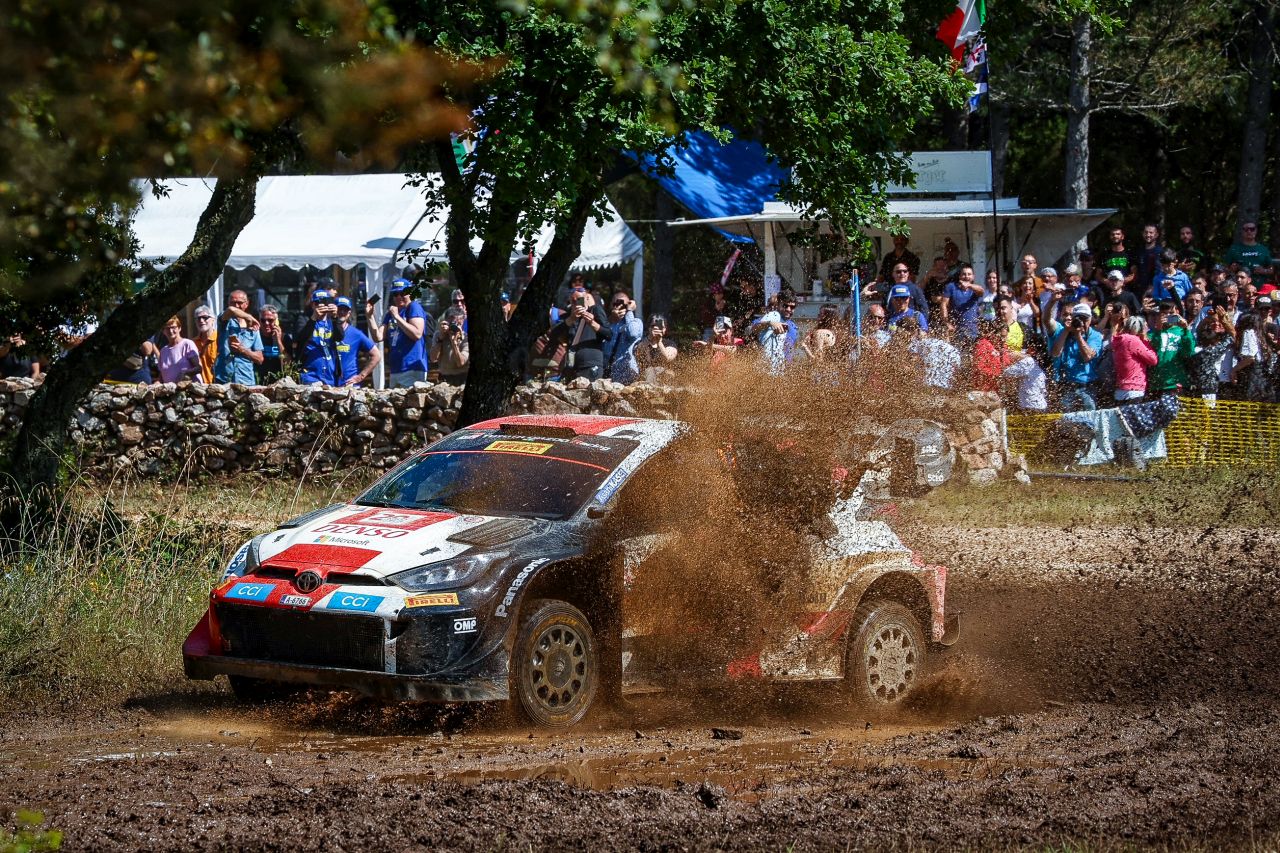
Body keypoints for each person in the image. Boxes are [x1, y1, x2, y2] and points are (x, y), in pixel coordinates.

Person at [368, 278, 428, 387]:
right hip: (396, 369)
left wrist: (397, 317)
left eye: (402, 293)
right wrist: (369, 316)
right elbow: (378, 337)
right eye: (395, 294)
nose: (399, 297)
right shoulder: (391, 313)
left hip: (412, 368)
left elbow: (417, 334)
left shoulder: (413, 307)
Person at [550, 284, 611, 381]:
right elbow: (553, 335)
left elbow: (608, 334)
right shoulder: (567, 316)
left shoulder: (595, 310)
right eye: (573, 301)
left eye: (579, 299)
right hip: (572, 367)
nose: (576, 303)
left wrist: (592, 323)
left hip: (591, 365)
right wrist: (571, 319)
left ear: (586, 298)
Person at [1049, 302, 1103, 411]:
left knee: (1089, 418)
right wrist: (1066, 331)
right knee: (1067, 419)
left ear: (1090, 319)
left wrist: (1078, 335)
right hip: (1067, 385)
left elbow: (1087, 356)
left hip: (1087, 385)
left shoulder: (1095, 335)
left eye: (1085, 319)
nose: (1082, 322)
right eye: (1079, 318)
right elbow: (1055, 353)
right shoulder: (1064, 332)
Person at [213, 289, 263, 385]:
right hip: (224, 379)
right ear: (228, 303)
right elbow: (231, 310)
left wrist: (243, 350)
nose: (236, 305)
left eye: (239, 303)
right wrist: (248, 317)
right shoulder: (225, 320)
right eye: (233, 302)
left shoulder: (253, 328)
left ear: (246, 304)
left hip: (246, 380)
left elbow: (260, 359)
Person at [296, 288, 345, 385]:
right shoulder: (304, 319)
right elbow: (301, 338)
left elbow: (340, 337)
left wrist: (335, 317)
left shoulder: (332, 321)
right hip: (309, 374)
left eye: (325, 302)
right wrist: (314, 318)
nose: (321, 306)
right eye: (317, 303)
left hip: (329, 374)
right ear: (312, 305)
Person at [1148, 301, 1196, 396]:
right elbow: (1153, 351)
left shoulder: (1183, 332)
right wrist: (1158, 330)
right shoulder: (1151, 334)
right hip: (1156, 384)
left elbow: (1189, 353)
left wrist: (1186, 330)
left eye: (1171, 313)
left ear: (1177, 313)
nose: (1168, 316)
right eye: (1164, 314)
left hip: (1176, 383)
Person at [1189, 306, 1236, 401]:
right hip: (1209, 388)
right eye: (1213, 322)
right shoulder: (1207, 349)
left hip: (1221, 384)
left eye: (1220, 322)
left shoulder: (1195, 350)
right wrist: (1217, 319)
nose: (1217, 324)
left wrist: (1211, 319)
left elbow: (1233, 334)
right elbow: (1232, 336)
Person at [1109, 316, 1157, 402]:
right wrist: (1145, 341)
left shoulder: (1120, 339)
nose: (1148, 329)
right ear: (1140, 328)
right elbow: (1153, 360)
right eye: (1146, 326)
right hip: (1134, 389)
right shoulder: (1133, 340)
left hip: (1120, 389)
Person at [335, 296, 380, 386]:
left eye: (345, 310)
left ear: (349, 313)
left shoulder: (356, 334)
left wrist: (361, 376)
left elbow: (377, 355)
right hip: (329, 383)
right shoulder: (326, 331)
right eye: (339, 309)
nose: (342, 312)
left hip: (349, 384)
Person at [750, 291, 800, 374]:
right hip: (767, 369)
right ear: (778, 304)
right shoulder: (773, 315)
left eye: (792, 307)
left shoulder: (793, 326)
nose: (788, 309)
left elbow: (790, 350)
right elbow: (753, 329)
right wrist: (770, 323)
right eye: (785, 306)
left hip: (784, 371)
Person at [600, 290, 644, 384]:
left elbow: (633, 333)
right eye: (616, 303)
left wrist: (629, 312)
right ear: (611, 306)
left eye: (624, 304)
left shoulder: (635, 321)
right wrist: (611, 319)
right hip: (607, 374)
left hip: (626, 372)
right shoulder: (606, 325)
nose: (620, 307)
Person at [903, 318, 960, 390]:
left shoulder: (921, 344)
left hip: (925, 388)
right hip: (946, 390)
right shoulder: (954, 351)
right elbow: (956, 373)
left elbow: (910, 363)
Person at [1233, 313, 1275, 402]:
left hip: (1253, 376)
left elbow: (1250, 357)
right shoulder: (1259, 334)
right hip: (1263, 377)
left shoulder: (1248, 332)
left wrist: (1234, 370)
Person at [940, 263, 984, 345]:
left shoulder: (974, 289)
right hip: (957, 329)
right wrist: (946, 322)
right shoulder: (951, 287)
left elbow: (981, 291)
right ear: (959, 276)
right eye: (964, 274)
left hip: (973, 330)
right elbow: (943, 304)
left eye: (969, 274)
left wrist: (969, 285)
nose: (966, 276)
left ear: (973, 276)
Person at [430, 306, 470, 385]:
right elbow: (433, 358)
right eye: (452, 323)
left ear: (463, 322)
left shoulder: (466, 338)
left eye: (458, 324)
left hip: (462, 377)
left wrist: (454, 344)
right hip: (444, 377)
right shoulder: (439, 335)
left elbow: (461, 363)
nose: (454, 326)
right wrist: (440, 339)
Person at [156, 316, 202, 384]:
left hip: (191, 388)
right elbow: (161, 376)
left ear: (179, 328)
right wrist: (156, 383)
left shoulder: (187, 344)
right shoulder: (163, 351)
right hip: (171, 389)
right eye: (167, 328)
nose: (171, 331)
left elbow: (199, 368)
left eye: (173, 327)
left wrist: (185, 373)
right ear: (163, 331)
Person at [635, 314, 678, 384]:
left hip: (665, 377)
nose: (657, 328)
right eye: (653, 326)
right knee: (649, 371)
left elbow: (667, 358)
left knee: (668, 373)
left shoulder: (670, 343)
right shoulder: (642, 343)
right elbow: (638, 352)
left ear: (665, 329)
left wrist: (659, 342)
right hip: (646, 376)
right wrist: (650, 339)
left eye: (660, 326)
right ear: (649, 328)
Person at [257, 305, 293, 384]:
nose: (266, 323)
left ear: (277, 321)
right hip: (259, 381)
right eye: (263, 320)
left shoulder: (285, 338)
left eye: (270, 320)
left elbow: (289, 364)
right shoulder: (255, 337)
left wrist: (278, 341)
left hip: (279, 382)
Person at [1097, 227, 1137, 293]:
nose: (1115, 236)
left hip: (1125, 290)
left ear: (1122, 236)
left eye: (1118, 234)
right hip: (1108, 291)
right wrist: (1107, 282)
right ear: (1110, 237)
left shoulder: (1129, 253)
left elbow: (1134, 273)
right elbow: (1098, 274)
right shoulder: (1104, 254)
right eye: (1112, 234)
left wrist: (1122, 282)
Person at [1134, 223, 1164, 295]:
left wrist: (1152, 285)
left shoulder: (1160, 252)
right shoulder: (1139, 251)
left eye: (1151, 233)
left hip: (1154, 288)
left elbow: (1160, 271)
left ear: (1156, 235)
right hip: (1139, 287)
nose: (1148, 235)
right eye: (1146, 232)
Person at [192, 304, 218, 383]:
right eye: (198, 318)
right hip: (198, 387)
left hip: (218, 385)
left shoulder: (220, 339)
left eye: (205, 317)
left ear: (213, 320)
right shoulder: (192, 343)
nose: (201, 320)